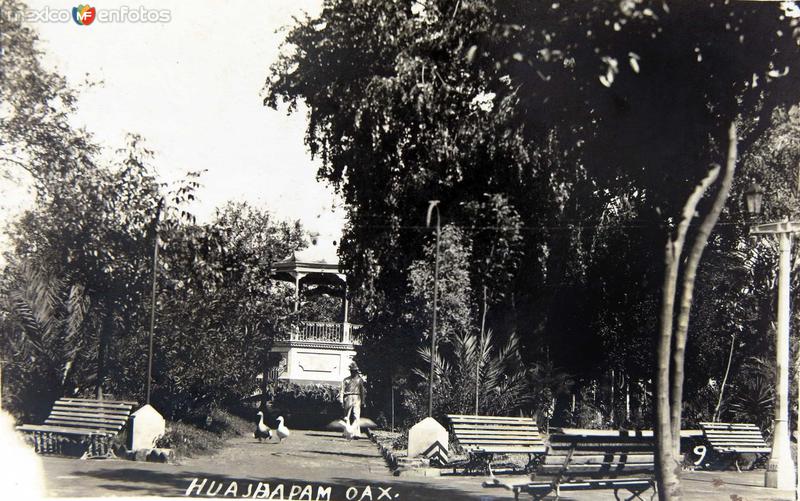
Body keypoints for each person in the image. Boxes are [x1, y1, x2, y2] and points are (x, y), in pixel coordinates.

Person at [340, 361, 366, 438]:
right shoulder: (346, 380)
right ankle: (346, 432)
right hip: (348, 397)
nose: (353, 372)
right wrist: (341, 400)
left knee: (356, 415)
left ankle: (357, 433)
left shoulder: (359, 380)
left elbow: (362, 391)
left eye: (355, 371)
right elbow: (342, 390)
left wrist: (363, 400)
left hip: (357, 397)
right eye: (352, 371)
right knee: (346, 416)